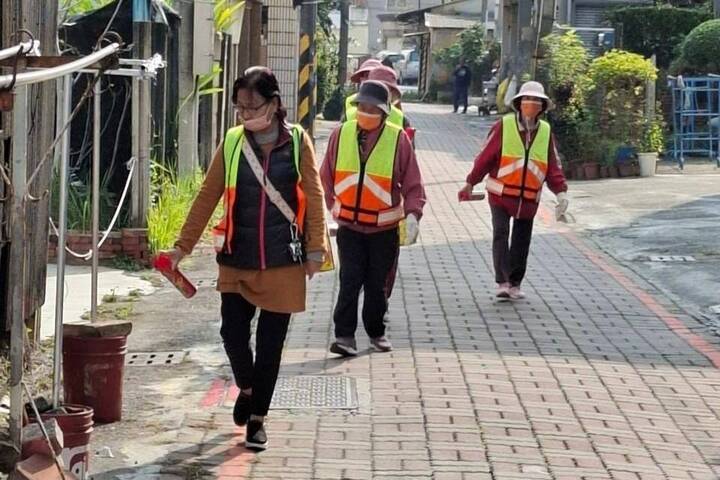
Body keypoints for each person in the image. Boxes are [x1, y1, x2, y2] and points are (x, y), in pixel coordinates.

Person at [164, 67, 328, 451]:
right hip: (237, 256)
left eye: (252, 106)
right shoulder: (234, 142)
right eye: (239, 108)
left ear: (273, 103)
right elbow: (207, 196)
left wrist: (316, 248)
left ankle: (257, 419)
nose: (245, 114)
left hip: (283, 259)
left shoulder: (299, 141)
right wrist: (181, 247)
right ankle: (249, 387)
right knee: (233, 335)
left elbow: (316, 197)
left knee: (271, 345)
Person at [321, 80, 426, 356]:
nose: (366, 112)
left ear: (383, 112)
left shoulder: (398, 139)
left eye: (372, 108)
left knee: (377, 283)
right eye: (362, 107)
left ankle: (376, 332)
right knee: (350, 280)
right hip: (350, 227)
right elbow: (326, 175)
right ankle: (344, 336)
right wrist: (332, 205)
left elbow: (413, 182)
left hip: (384, 228)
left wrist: (414, 214)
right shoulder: (340, 135)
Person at [458, 81, 568, 300]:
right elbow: (485, 158)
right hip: (500, 194)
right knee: (500, 234)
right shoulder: (504, 125)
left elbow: (552, 166)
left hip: (529, 198)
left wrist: (561, 192)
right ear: (518, 104)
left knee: (521, 239)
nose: (531, 104)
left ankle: (515, 282)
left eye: (536, 101)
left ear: (543, 107)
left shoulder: (545, 132)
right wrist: (471, 182)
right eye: (527, 100)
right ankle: (502, 281)